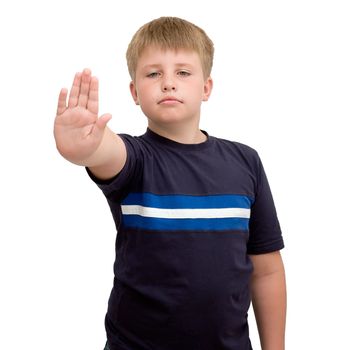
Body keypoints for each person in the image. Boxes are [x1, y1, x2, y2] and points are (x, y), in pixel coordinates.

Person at [54, 16, 286, 350]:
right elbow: (107, 152)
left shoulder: (245, 162)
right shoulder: (135, 159)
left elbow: (266, 271)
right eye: (153, 73)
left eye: (182, 72)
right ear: (135, 92)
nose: (168, 83)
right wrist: (86, 147)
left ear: (206, 87)